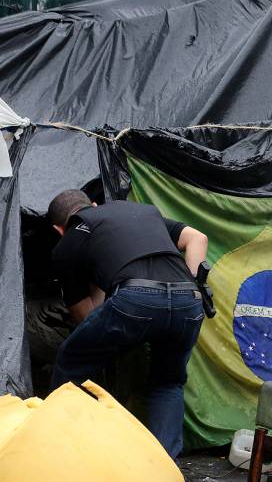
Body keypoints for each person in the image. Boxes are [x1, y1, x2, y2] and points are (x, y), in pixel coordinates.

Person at [48, 190, 209, 459]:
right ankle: (164, 468)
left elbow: (86, 318)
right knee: (168, 382)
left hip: (135, 300)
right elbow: (197, 238)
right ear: (95, 204)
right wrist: (195, 286)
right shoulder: (143, 212)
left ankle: (59, 448)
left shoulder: (68, 243)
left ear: (58, 228)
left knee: (70, 360)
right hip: (188, 301)